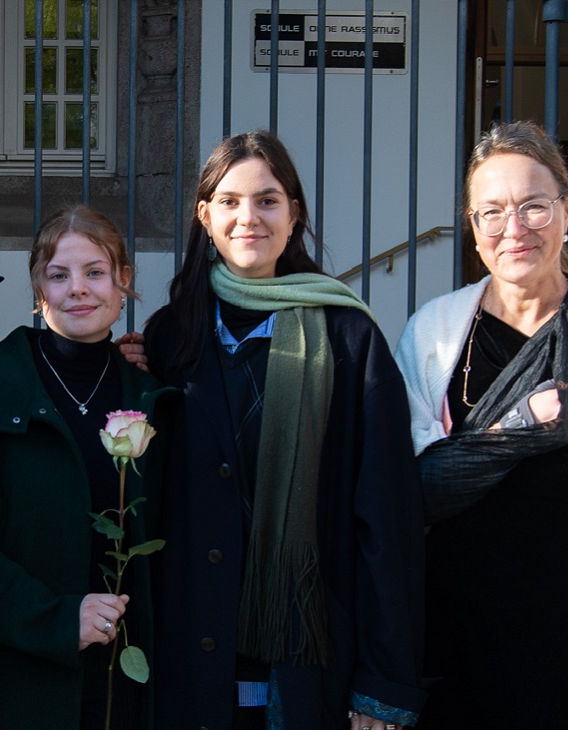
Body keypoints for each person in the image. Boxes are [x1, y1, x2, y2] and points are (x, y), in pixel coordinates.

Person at [137, 131, 425, 730]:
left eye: (268, 200)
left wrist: (383, 681)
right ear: (205, 217)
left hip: (310, 659)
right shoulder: (170, 336)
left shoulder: (350, 339)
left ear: (294, 214)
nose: (249, 218)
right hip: (192, 651)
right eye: (230, 202)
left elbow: (387, 517)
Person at [390, 121, 568, 729]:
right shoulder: (435, 333)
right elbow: (413, 488)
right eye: (492, 212)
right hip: (455, 634)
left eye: (533, 207)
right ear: (472, 225)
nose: (512, 229)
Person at [0, 205, 174, 730]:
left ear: (123, 281)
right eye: (59, 275)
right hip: (19, 679)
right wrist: (59, 619)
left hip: (126, 678)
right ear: (40, 291)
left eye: (95, 272)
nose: (78, 290)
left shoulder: (153, 395)